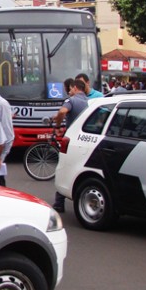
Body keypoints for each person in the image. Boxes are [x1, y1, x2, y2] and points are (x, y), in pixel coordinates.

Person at [49, 78, 89, 213]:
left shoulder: (71, 100)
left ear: (75, 88)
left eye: (71, 89)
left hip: (72, 140)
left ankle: (59, 202)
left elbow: (62, 112)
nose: (69, 91)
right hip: (88, 140)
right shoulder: (89, 101)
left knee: (65, 168)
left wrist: (58, 124)